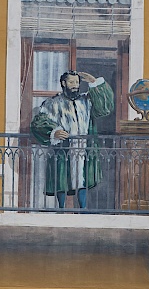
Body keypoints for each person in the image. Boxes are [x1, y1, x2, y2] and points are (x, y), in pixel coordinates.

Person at [30, 70, 114, 209]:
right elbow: (39, 122)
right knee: (62, 178)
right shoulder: (53, 103)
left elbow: (105, 108)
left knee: (83, 179)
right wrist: (54, 132)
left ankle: (83, 208)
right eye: (71, 82)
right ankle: (61, 208)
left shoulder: (87, 101)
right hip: (63, 147)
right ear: (64, 83)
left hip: (84, 147)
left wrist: (94, 83)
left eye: (76, 82)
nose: (75, 85)